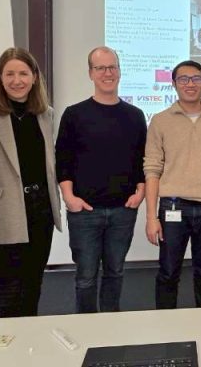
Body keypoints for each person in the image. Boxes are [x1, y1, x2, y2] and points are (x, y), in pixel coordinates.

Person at [0, 47, 63, 318]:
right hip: (5, 215)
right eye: (9, 74)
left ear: (34, 77)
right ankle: (5, 342)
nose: (17, 80)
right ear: (0, 78)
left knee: (33, 285)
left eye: (23, 73)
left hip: (41, 211)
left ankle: (28, 339)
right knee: (8, 292)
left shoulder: (46, 114)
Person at [54, 46, 147, 313]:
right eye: (101, 68)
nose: (108, 73)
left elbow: (142, 159)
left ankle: (110, 323)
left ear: (119, 71)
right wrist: (69, 198)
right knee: (85, 276)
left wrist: (140, 192)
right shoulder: (74, 114)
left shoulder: (135, 115)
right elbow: (63, 160)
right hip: (85, 211)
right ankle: (86, 325)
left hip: (123, 210)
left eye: (112, 67)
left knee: (115, 272)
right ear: (90, 73)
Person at [144, 60, 201, 308]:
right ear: (174, 84)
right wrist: (151, 217)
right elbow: (152, 169)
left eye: (196, 78)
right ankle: (165, 321)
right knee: (168, 271)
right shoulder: (160, 120)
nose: (190, 84)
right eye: (183, 79)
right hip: (173, 207)